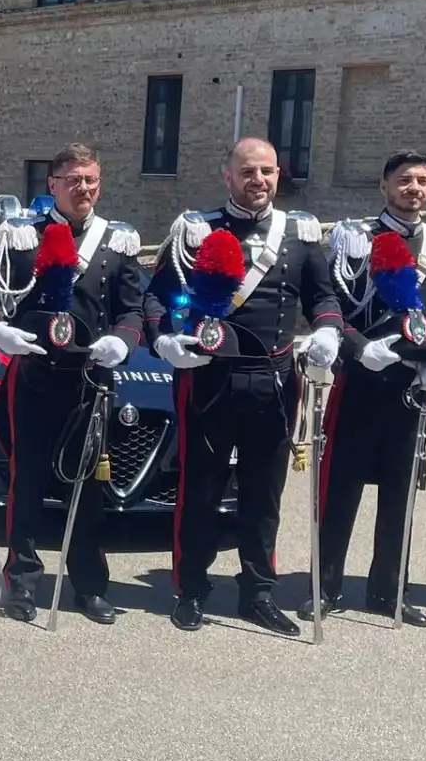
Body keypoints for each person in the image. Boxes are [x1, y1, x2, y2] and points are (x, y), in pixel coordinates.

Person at [145, 138, 344, 636]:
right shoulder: (196, 230)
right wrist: (164, 339)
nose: (259, 180)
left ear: (279, 175)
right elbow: (156, 298)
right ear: (227, 175)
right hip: (210, 377)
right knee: (201, 489)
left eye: (268, 171)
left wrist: (326, 329)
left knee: (264, 492)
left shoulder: (298, 233)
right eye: (248, 171)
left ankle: (257, 592)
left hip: (275, 380)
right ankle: (191, 588)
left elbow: (323, 296)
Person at [0, 143, 145, 625]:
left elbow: (134, 309)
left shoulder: (117, 242)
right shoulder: (23, 238)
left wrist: (124, 341)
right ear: (53, 186)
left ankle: (89, 586)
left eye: (90, 180)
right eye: (73, 180)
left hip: (91, 381)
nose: (83, 188)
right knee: (26, 485)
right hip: (37, 377)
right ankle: (21, 584)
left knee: (87, 487)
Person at [308, 151, 426, 627]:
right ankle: (327, 586)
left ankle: (387, 589)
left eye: (422, 181)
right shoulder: (356, 238)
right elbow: (332, 303)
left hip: (412, 386)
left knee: (401, 494)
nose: (414, 188)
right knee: (340, 490)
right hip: (361, 381)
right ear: (384, 186)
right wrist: (356, 349)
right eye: (404, 180)